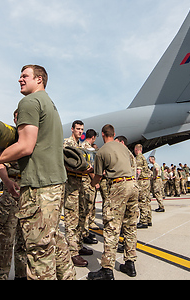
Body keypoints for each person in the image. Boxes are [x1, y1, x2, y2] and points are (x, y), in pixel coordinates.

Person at [0, 65, 74, 280]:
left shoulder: (29, 102)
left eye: (24, 76)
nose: (19, 79)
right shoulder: (50, 104)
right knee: (53, 241)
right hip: (55, 184)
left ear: (39, 79)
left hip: (39, 186)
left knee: (38, 253)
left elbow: (25, 146)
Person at [87, 124, 139, 280]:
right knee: (130, 225)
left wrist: (92, 183)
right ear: (114, 134)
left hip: (118, 186)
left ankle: (107, 270)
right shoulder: (124, 148)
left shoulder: (102, 151)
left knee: (112, 227)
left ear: (103, 134)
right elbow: (133, 165)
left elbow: (98, 177)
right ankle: (130, 263)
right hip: (133, 185)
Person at [0, 110, 26, 280]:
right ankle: (1, 276)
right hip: (11, 193)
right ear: (14, 118)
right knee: (6, 240)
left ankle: (21, 275)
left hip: (27, 195)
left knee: (24, 241)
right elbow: (0, 165)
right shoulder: (9, 139)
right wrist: (7, 182)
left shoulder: (31, 138)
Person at [63, 120, 93, 267]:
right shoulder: (66, 144)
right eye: (78, 129)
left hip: (83, 185)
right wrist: (79, 170)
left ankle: (79, 245)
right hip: (71, 186)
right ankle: (72, 252)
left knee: (82, 216)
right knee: (71, 219)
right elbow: (63, 164)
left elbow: (92, 159)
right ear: (72, 129)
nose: (80, 131)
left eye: (82, 130)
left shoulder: (85, 146)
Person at [134, 145, 152, 228]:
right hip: (146, 181)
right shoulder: (144, 157)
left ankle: (143, 221)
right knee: (147, 201)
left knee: (142, 201)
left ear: (136, 149)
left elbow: (138, 171)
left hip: (142, 181)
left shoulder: (138, 157)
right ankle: (148, 219)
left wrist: (135, 180)